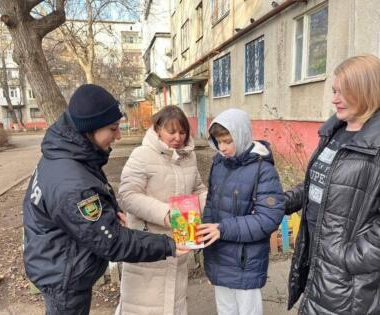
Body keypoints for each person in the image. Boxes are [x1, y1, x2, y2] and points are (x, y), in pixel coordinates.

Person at [23, 84, 188, 315]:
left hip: (59, 260)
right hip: (64, 277)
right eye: (113, 129)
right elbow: (113, 242)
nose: (118, 136)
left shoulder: (68, 154)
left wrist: (109, 209)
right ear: (90, 128)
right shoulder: (71, 183)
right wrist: (167, 245)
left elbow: (91, 191)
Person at [285, 55, 380, 314]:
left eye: (343, 92)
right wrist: (283, 201)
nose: (334, 99)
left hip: (353, 285)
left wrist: (349, 258)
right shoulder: (334, 133)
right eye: (334, 91)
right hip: (317, 267)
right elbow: (319, 185)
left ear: (367, 91)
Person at [115, 105, 207, 315]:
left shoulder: (188, 157)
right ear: (158, 129)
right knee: (143, 307)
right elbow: (128, 195)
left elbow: (199, 189)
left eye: (182, 132)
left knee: (174, 304)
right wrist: (167, 215)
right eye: (171, 131)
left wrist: (198, 210)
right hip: (147, 243)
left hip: (180, 243)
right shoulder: (142, 155)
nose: (178, 137)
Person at [196, 108, 285, 315]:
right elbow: (211, 203)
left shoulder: (263, 168)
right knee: (226, 310)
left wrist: (222, 229)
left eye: (228, 141)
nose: (222, 147)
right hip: (219, 254)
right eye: (218, 141)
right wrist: (203, 235)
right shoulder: (219, 163)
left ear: (242, 135)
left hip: (245, 259)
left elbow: (268, 218)